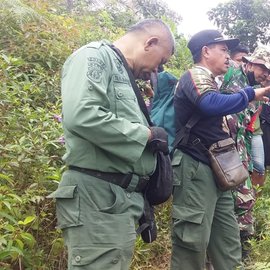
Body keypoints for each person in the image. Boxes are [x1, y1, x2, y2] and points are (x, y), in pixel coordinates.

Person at [47, 19, 175, 269]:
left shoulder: (123, 72)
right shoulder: (94, 56)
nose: (157, 71)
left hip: (116, 200)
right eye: (161, 62)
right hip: (98, 197)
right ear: (150, 42)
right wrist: (146, 135)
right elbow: (82, 114)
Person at [170, 29, 270, 270]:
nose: (228, 56)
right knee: (192, 241)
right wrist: (250, 93)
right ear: (206, 51)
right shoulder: (194, 75)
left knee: (227, 240)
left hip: (216, 169)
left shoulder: (214, 81)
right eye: (223, 50)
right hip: (194, 166)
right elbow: (210, 104)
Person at [220, 46, 270, 258]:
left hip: (239, 151)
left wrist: (248, 162)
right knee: (225, 201)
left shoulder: (255, 89)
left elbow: (246, 128)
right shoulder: (231, 72)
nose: (266, 73)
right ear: (251, 62)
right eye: (262, 67)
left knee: (245, 199)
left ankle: (243, 252)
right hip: (220, 150)